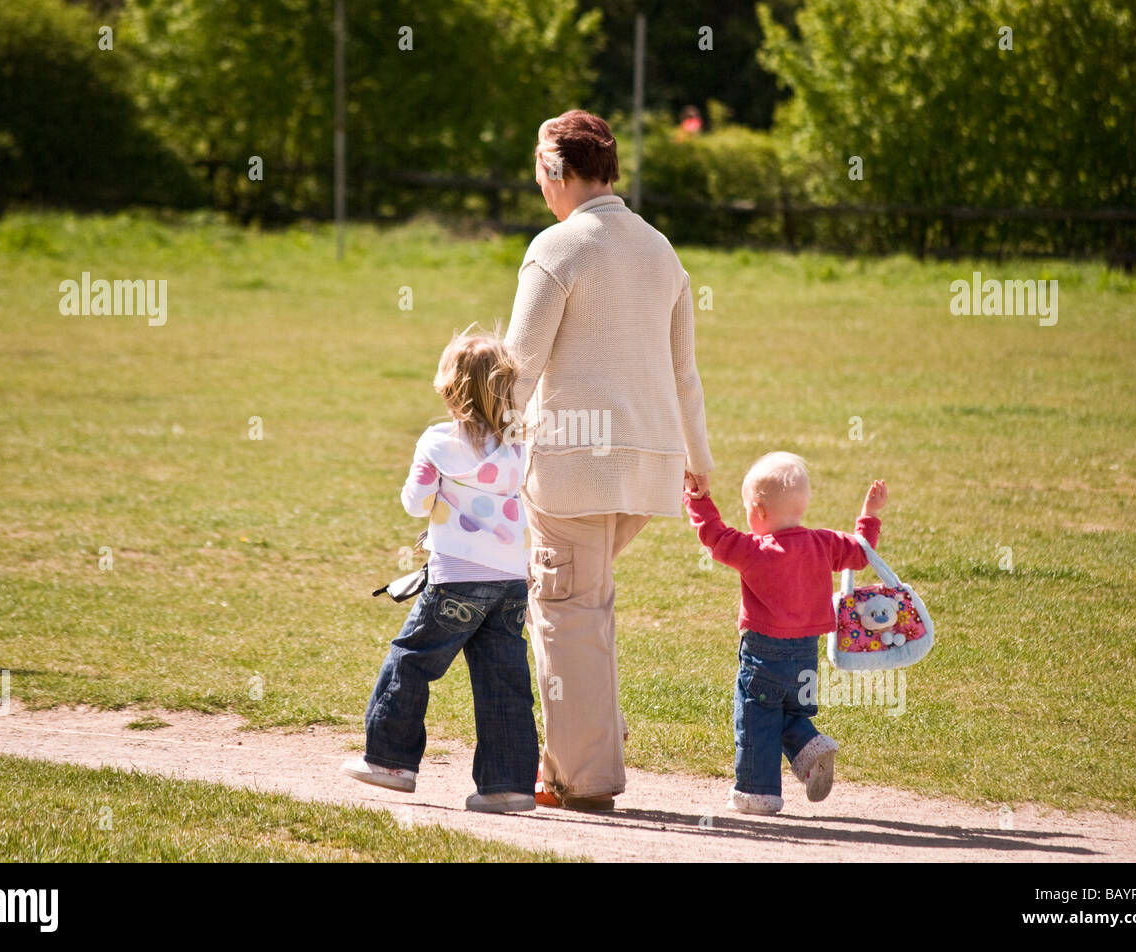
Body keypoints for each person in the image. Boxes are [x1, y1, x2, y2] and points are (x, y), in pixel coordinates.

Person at [505, 109, 714, 810]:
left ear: (557, 172)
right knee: (580, 605)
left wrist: (479, 448)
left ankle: (585, 777)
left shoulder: (558, 248)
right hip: (647, 472)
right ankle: (586, 740)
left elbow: (518, 366)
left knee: (567, 611)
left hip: (571, 472)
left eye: (541, 169)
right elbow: (685, 372)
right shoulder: (660, 249)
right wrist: (699, 459)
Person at [343, 329, 539, 814]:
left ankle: (390, 763)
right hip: (510, 581)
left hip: (456, 578)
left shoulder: (438, 442)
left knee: (412, 660)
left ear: (450, 389)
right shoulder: (520, 445)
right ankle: (508, 787)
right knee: (504, 680)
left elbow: (415, 503)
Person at [684, 452, 887, 815]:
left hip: (764, 655)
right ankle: (810, 746)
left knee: (756, 716)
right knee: (785, 712)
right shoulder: (822, 543)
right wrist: (869, 516)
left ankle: (756, 793)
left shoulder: (753, 550)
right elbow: (860, 554)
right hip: (807, 655)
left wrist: (697, 499)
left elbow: (715, 537)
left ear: (759, 510)